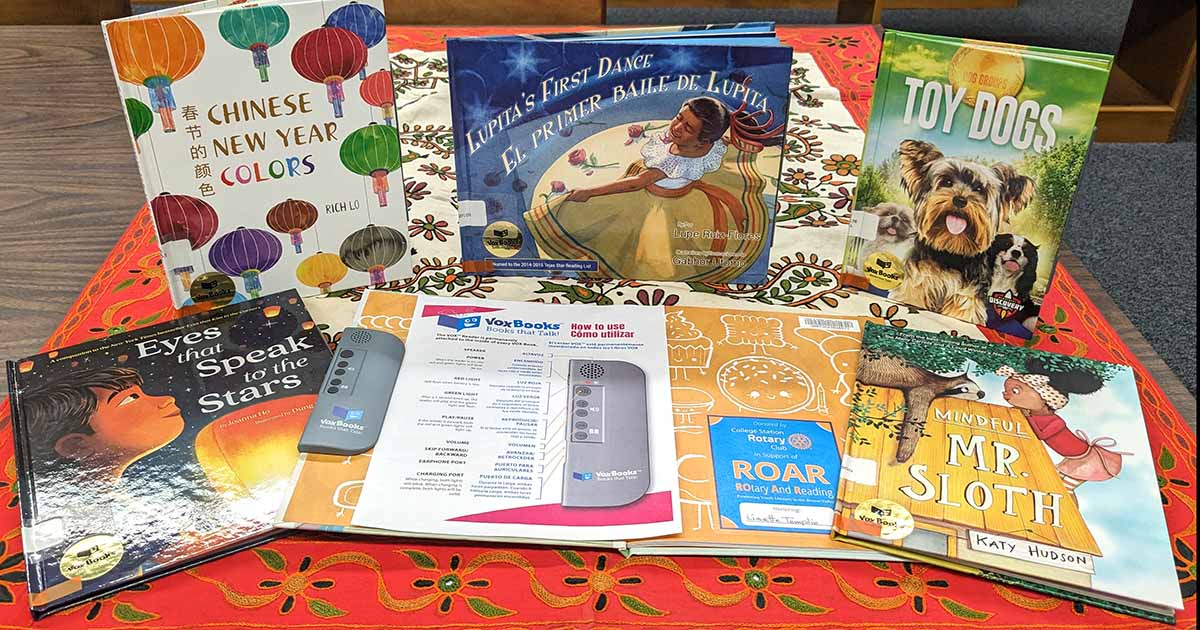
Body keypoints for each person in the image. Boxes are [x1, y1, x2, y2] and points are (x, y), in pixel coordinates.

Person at [524, 93, 783, 282]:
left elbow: (636, 183)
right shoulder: (710, 145)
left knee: (632, 244)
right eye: (679, 117)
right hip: (674, 185)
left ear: (703, 140)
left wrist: (589, 192)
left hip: (659, 202)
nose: (677, 127)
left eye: (688, 128)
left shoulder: (673, 162)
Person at [998, 358, 1127, 494]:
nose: (1006, 396)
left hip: (1083, 460)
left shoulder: (1056, 422)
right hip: (1072, 457)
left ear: (1044, 398)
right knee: (1057, 487)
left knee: (1062, 489)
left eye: (1015, 391)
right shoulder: (1034, 415)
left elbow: (1040, 435)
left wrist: (1027, 418)